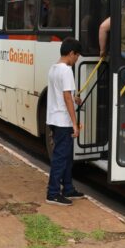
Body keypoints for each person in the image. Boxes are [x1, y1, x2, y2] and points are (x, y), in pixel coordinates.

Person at [46, 37, 85, 206]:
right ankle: (53, 193)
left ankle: (68, 188)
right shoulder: (67, 70)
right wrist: (75, 124)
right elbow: (67, 97)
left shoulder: (53, 69)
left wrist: (75, 98)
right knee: (61, 158)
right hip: (63, 121)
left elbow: (64, 94)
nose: (76, 60)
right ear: (71, 53)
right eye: (77, 56)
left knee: (67, 157)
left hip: (54, 118)